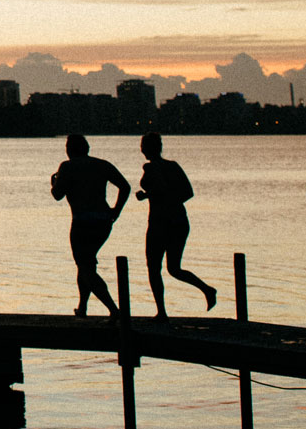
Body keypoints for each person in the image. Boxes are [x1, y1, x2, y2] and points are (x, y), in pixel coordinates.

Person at [138, 132, 217, 318]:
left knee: (154, 267)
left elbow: (168, 191)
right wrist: (152, 196)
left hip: (162, 223)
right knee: (173, 268)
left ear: (148, 148)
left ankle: (162, 312)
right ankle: (206, 289)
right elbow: (185, 193)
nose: (142, 150)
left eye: (143, 146)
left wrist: (151, 196)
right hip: (179, 221)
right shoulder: (172, 166)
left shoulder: (151, 168)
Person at [49, 134, 130, 316]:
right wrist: (116, 210)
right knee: (86, 265)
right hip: (103, 222)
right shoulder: (102, 165)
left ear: (69, 150)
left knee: (85, 268)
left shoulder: (67, 167)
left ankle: (114, 309)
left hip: (82, 223)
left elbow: (57, 195)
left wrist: (54, 182)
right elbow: (125, 186)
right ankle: (83, 307)